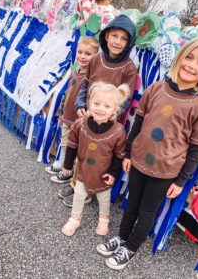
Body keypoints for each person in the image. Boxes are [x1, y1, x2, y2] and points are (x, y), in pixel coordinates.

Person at [96, 36, 198, 270]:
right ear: (180, 57)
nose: (192, 65)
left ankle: (131, 247)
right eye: (189, 57)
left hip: (165, 172)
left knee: (147, 211)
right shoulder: (156, 88)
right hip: (139, 161)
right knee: (131, 203)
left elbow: (197, 148)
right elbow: (138, 123)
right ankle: (122, 237)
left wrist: (182, 181)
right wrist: (129, 154)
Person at [61, 82, 128, 236]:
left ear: (115, 109)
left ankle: (104, 219)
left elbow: (119, 155)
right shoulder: (80, 125)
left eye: (106, 106)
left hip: (103, 173)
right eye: (96, 103)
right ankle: (74, 219)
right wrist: (67, 165)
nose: (100, 109)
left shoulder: (118, 131)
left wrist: (112, 173)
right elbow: (72, 144)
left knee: (104, 198)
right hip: (83, 170)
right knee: (79, 194)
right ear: (89, 102)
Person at [45, 37, 99, 188]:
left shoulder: (91, 77)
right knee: (64, 142)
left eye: (88, 53)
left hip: (77, 119)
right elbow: (69, 92)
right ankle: (61, 163)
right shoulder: (76, 71)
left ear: (96, 56)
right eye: (80, 52)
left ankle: (68, 172)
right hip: (67, 116)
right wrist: (62, 111)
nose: (82, 56)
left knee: (73, 145)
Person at [75, 14, 138, 120]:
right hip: (85, 117)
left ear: (129, 43)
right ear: (106, 36)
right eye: (114, 36)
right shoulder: (95, 59)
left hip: (107, 124)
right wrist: (80, 104)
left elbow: (126, 99)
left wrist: (112, 114)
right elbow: (85, 86)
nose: (117, 42)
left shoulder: (129, 69)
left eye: (124, 39)